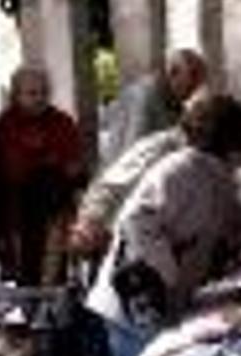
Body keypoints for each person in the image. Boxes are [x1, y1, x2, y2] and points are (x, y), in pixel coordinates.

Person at [87, 95, 241, 356]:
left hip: (160, 302)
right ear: (230, 141)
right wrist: (167, 274)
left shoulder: (213, 175)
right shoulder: (181, 170)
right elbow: (136, 220)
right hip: (135, 303)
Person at [68, 89, 211, 258]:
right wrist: (89, 223)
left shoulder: (208, 159)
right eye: (202, 119)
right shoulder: (162, 146)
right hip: (131, 245)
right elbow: (111, 186)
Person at [0, 67, 84, 285]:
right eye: (32, 93)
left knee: (55, 278)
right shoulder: (2, 125)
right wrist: (47, 163)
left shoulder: (62, 122)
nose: (39, 98)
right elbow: (6, 169)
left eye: (44, 92)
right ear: (16, 94)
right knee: (26, 278)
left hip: (55, 213)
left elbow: (73, 167)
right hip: (17, 214)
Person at [102, 49, 208, 164]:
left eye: (193, 90)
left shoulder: (174, 101)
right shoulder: (144, 97)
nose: (190, 96)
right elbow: (134, 152)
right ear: (173, 73)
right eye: (189, 88)